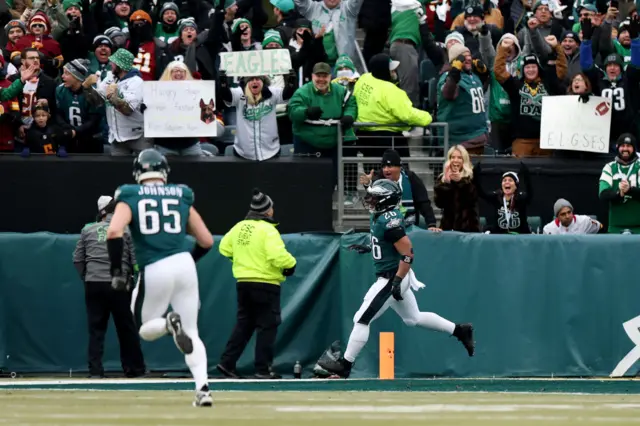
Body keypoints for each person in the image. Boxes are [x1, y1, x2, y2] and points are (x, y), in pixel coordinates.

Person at [318, 179, 475, 378]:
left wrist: (396, 281)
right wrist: (371, 249)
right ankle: (460, 330)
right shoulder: (382, 216)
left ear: (385, 201)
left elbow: (408, 254)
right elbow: (388, 244)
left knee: (361, 319)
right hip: (396, 274)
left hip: (393, 276)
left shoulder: (388, 221)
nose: (370, 200)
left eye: (375, 197)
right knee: (413, 318)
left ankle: (346, 365)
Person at [106, 149, 214, 407]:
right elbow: (207, 240)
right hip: (185, 264)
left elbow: (113, 232)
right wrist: (185, 262)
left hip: (155, 267)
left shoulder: (130, 194)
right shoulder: (181, 194)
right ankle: (203, 389)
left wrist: (117, 272)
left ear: (137, 173)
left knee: (145, 329)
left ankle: (168, 325)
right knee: (193, 332)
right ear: (165, 172)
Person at [216, 189, 296, 380]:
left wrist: (241, 262)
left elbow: (223, 248)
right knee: (267, 326)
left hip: (243, 283)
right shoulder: (268, 230)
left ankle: (227, 363)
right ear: (267, 211)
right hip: (266, 284)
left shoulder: (239, 227)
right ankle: (262, 369)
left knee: (244, 325)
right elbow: (279, 257)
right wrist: (291, 265)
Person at [73, 195, 146, 378]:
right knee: (126, 328)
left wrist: (87, 277)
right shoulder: (125, 230)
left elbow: (77, 259)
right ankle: (134, 370)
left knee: (96, 330)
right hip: (119, 285)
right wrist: (134, 276)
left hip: (94, 284)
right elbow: (135, 260)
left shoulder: (87, 230)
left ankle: (95, 371)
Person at [359, 149, 439, 230]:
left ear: (399, 167)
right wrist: (368, 184)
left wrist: (431, 224)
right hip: (386, 226)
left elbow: (423, 202)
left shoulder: (411, 177)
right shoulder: (380, 179)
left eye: (389, 166)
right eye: (384, 166)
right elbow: (371, 199)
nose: (386, 169)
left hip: (410, 225)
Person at [474, 162, 532, 234]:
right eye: (504, 180)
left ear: (516, 186)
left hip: (519, 237)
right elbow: (481, 193)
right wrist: (476, 176)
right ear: (502, 185)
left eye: (510, 180)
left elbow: (530, 193)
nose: (507, 182)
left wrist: (526, 175)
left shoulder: (521, 198)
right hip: (500, 238)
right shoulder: (497, 197)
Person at [599, 133, 640, 233]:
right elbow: (603, 194)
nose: (625, 149)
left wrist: (629, 190)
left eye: (629, 146)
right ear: (617, 147)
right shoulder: (609, 167)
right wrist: (619, 193)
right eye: (622, 146)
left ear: (634, 148)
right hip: (615, 227)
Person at [434, 145, 480, 232]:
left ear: (464, 160)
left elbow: (472, 199)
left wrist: (460, 182)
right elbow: (439, 204)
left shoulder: (472, 175)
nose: (455, 160)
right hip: (448, 226)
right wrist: (446, 184)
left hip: (468, 227)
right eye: (453, 157)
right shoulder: (443, 178)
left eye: (459, 157)